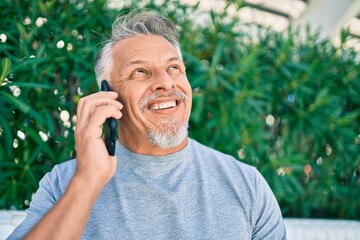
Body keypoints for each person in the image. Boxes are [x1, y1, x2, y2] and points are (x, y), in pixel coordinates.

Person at [8, 9, 286, 240]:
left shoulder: (246, 184)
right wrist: (87, 180)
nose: (166, 82)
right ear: (107, 95)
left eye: (174, 68)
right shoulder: (65, 184)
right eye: (140, 71)